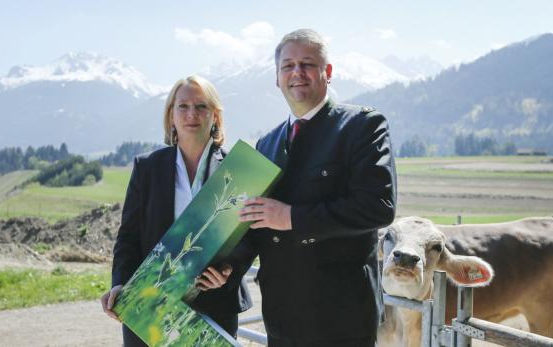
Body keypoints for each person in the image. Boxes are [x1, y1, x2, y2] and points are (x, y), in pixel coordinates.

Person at [231, 29, 397, 347]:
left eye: (307, 63)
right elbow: (256, 223)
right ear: (277, 78)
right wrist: (226, 264)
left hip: (342, 317)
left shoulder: (363, 127)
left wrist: (293, 217)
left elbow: (378, 206)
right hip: (282, 316)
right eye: (288, 66)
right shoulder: (267, 143)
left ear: (328, 72)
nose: (297, 73)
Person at [100, 75, 252, 346]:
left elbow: (251, 236)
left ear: (215, 115)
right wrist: (120, 283)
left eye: (201, 106)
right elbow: (128, 237)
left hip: (216, 303)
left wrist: (229, 269)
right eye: (183, 106)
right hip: (150, 304)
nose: (191, 114)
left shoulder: (239, 170)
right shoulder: (147, 168)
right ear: (171, 115)